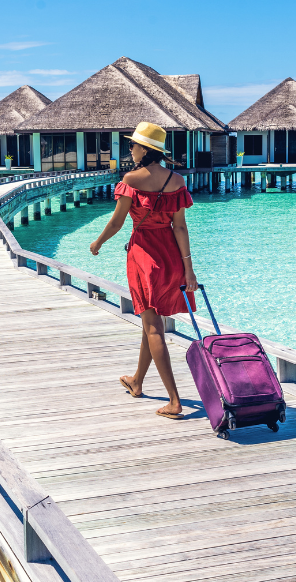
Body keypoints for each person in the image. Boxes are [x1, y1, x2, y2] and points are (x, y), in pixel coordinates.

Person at [89, 122, 198, 419]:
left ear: (145, 150)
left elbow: (117, 222)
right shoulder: (176, 180)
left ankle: (174, 401)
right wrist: (189, 270)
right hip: (172, 257)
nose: (131, 149)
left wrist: (97, 242)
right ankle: (137, 380)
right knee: (152, 324)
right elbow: (181, 227)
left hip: (144, 256)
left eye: (133, 145)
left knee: (152, 327)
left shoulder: (131, 179)